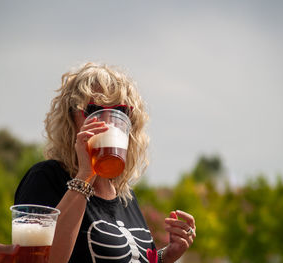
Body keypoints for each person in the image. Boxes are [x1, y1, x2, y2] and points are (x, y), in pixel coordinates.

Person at [14, 62, 196, 263]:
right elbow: (41, 260)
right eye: (94, 109)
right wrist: (85, 175)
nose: (108, 121)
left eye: (120, 111)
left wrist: (167, 255)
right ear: (71, 119)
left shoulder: (125, 195)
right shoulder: (46, 178)